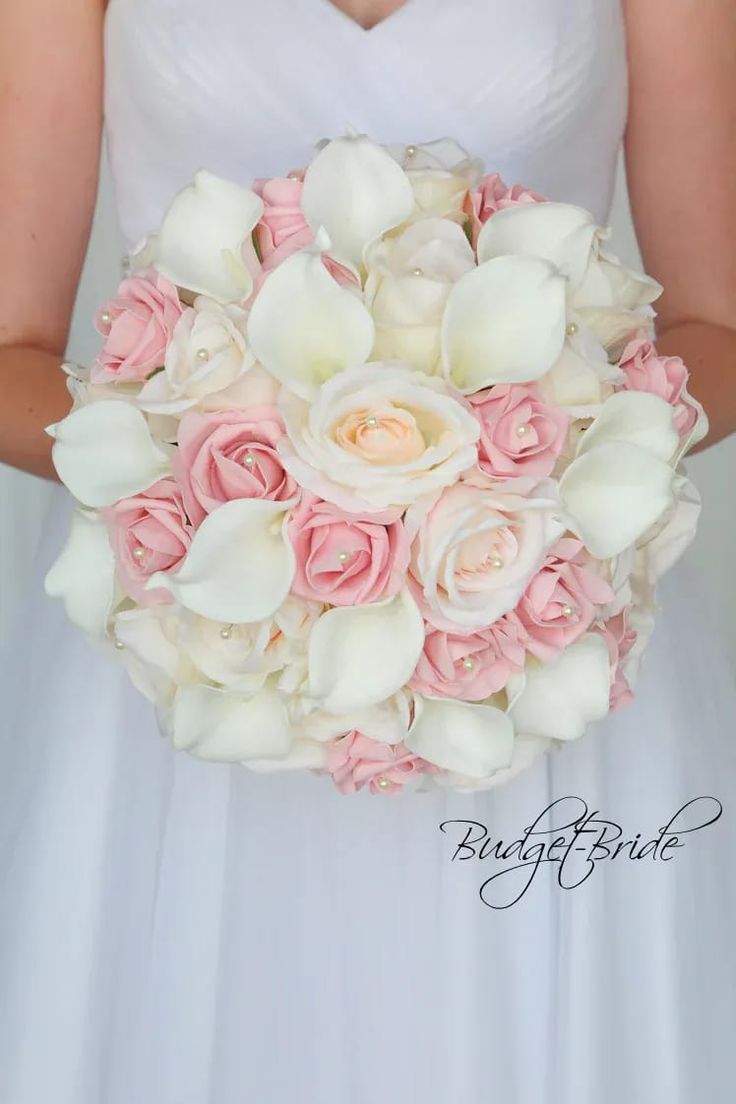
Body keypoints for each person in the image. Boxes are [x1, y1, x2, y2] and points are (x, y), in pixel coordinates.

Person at [0, 1, 734, 1101]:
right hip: (189, 634)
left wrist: (508, 483)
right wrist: (233, 488)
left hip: (536, 617)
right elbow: (11, 349)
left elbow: (715, 330)